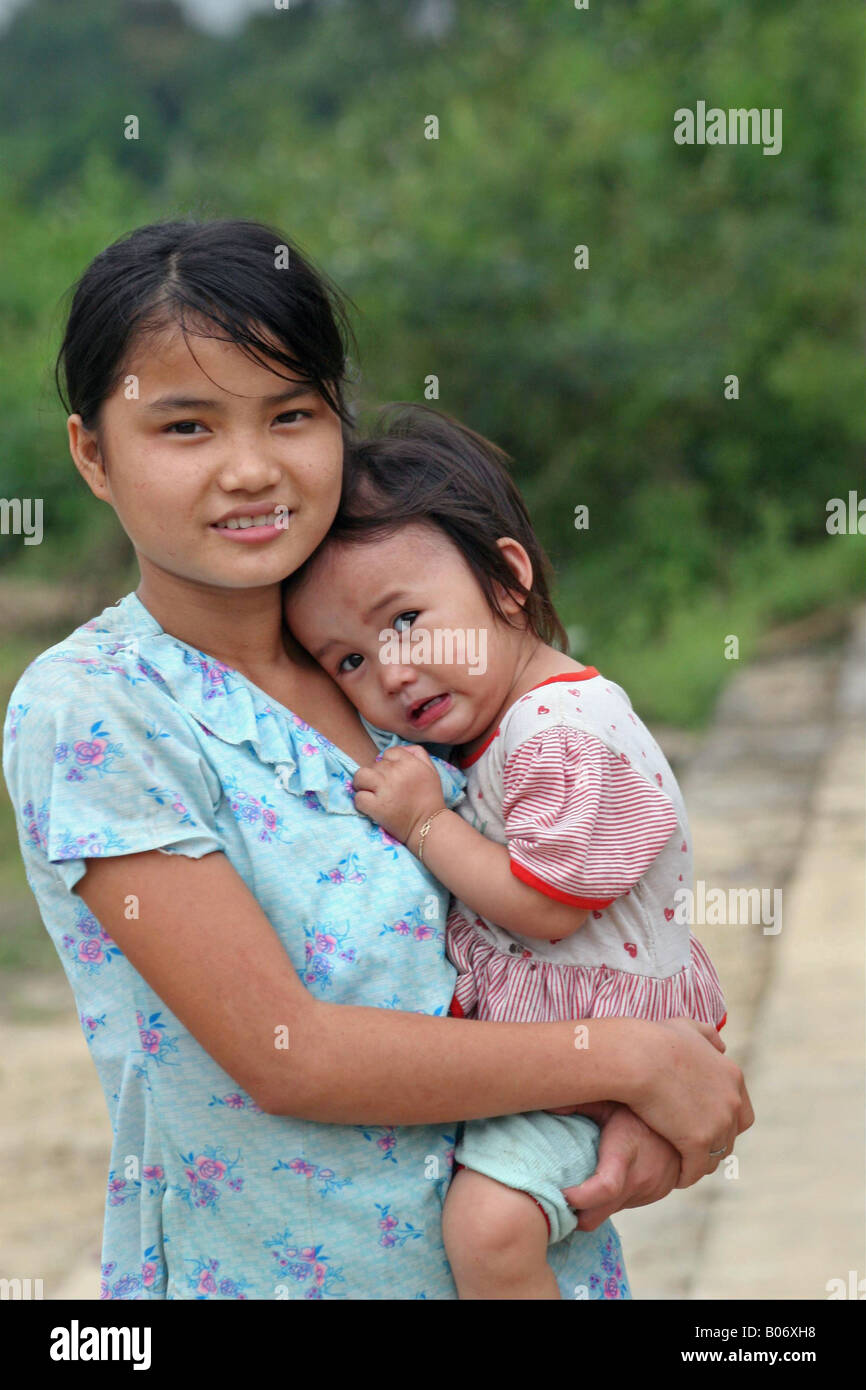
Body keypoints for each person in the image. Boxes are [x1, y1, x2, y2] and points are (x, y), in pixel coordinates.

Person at [1, 218, 752, 1300]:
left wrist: (629, 1119)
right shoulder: (99, 710)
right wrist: (632, 1058)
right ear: (92, 454)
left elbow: (567, 924)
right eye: (185, 426)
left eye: (291, 414)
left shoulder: (399, 677)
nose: (250, 470)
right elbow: (284, 1049)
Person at [283, 405, 731, 1299]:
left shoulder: (561, 732)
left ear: (506, 578)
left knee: (487, 1229)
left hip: (603, 1050)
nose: (391, 672)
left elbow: (546, 904)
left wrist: (424, 826)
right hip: (570, 1051)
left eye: (407, 621)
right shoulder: (496, 728)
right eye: (347, 663)